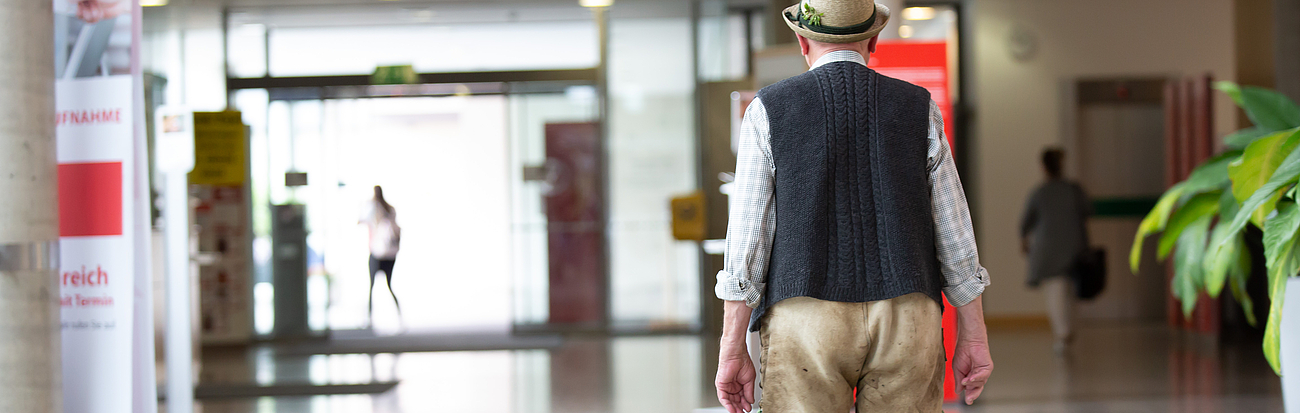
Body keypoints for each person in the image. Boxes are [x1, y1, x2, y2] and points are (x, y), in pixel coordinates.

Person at [713, 1, 993, 411]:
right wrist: (974, 334)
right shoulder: (917, 107)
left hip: (805, 314)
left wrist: (732, 347)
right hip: (907, 312)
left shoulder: (768, 109)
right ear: (874, 38)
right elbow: (953, 230)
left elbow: (748, 240)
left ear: (801, 39)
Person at [1020, 148, 1090, 354]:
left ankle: (1062, 333)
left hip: (1047, 251)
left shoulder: (1039, 193)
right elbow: (1087, 211)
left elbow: (1026, 223)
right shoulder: (1073, 190)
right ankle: (1068, 330)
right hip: (1074, 247)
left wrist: (1024, 241)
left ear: (1043, 167)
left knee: (1055, 294)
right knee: (1070, 293)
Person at [360, 185, 403, 328]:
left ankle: (369, 320)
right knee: (389, 286)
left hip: (377, 252)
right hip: (390, 254)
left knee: (371, 287)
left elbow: (361, 220)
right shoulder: (390, 209)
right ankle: (399, 316)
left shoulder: (373, 207)